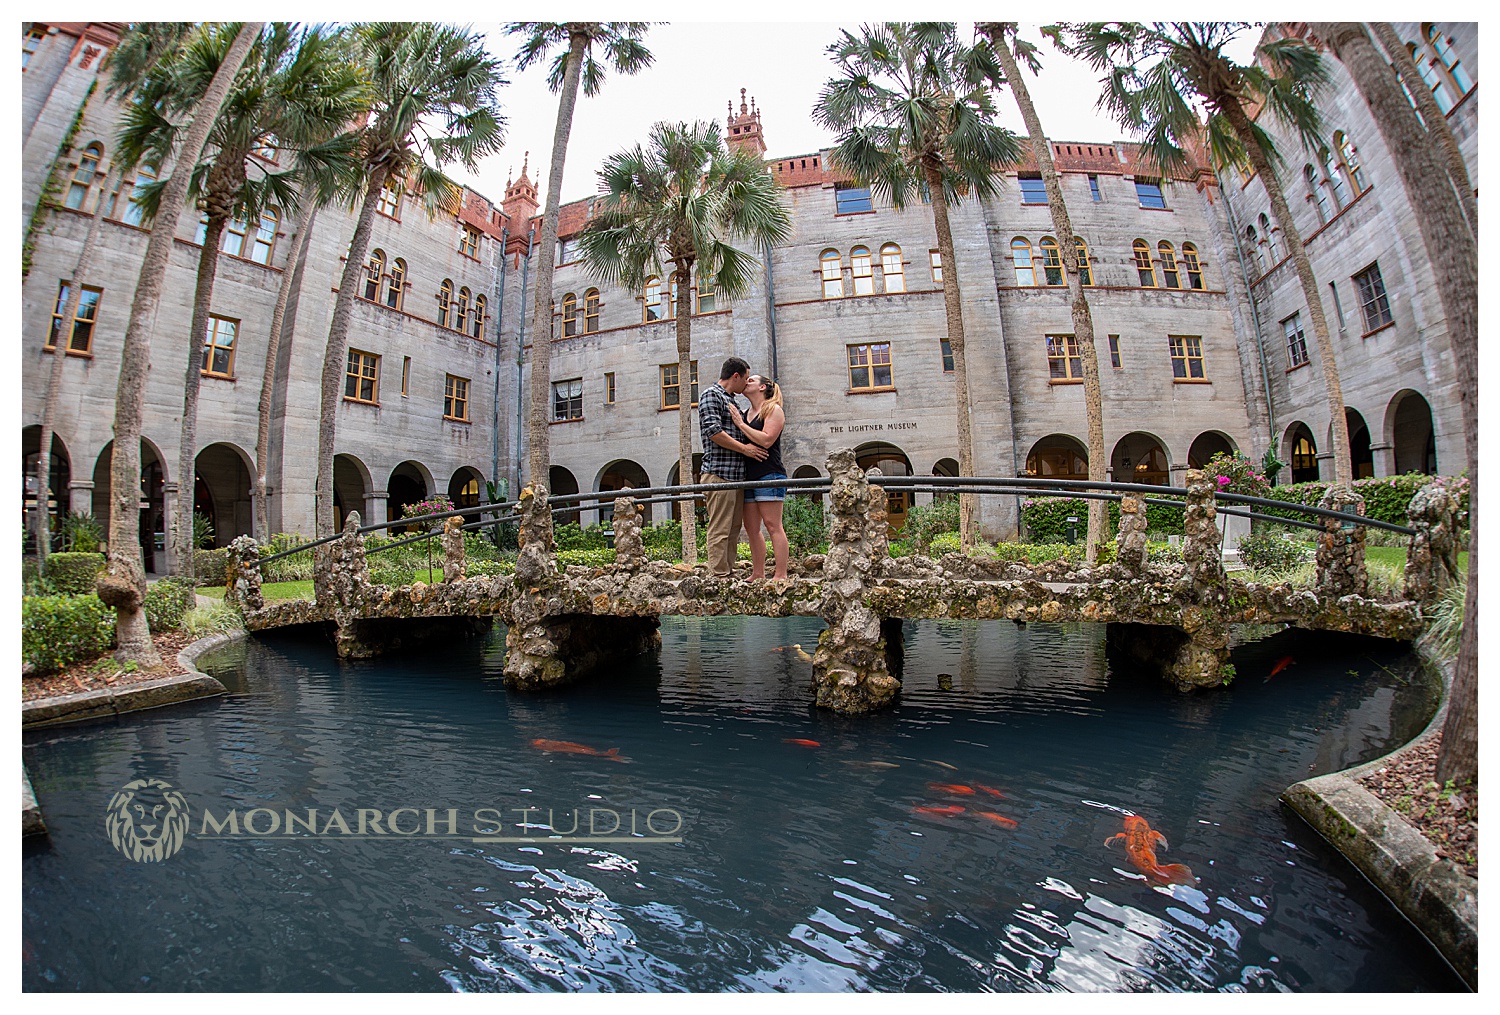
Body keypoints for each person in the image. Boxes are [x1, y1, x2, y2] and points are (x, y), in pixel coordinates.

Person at [697, 357, 766, 577]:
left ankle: (728, 571)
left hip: (736, 477)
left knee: (734, 528)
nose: (746, 384)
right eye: (745, 379)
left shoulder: (732, 401)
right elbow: (713, 432)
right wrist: (745, 449)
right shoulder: (711, 395)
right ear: (735, 376)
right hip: (719, 474)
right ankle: (719, 575)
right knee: (720, 529)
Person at [729, 375, 788, 581]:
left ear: (763, 387)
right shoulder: (745, 413)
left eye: (752, 380)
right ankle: (758, 573)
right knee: (751, 529)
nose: (747, 382)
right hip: (749, 477)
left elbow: (766, 440)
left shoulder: (773, 410)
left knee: (773, 525)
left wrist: (740, 424)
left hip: (769, 474)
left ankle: (780, 574)